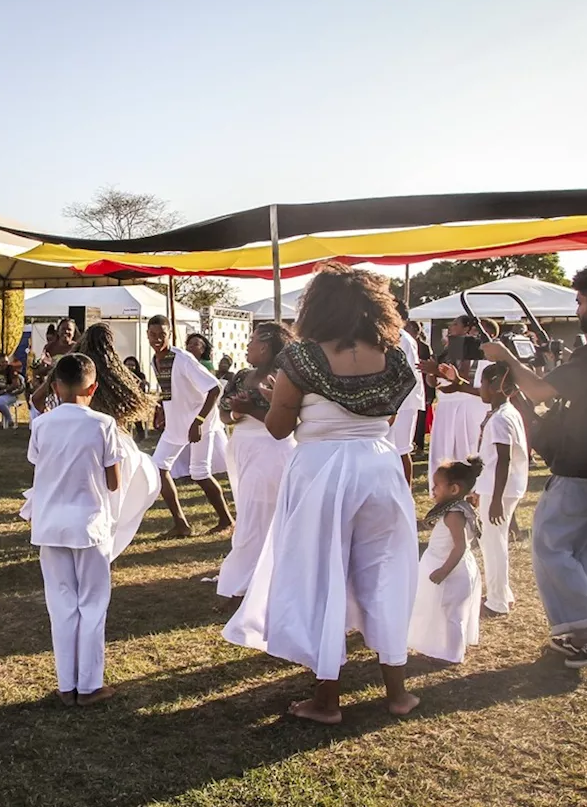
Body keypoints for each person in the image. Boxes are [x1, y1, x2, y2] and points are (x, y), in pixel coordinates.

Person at [223, 264, 420, 723]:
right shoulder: (391, 356)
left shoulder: (303, 359)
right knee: (387, 574)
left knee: (321, 576)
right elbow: (385, 418)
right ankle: (397, 692)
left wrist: (273, 398)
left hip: (321, 469)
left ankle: (327, 699)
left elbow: (277, 429)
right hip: (380, 466)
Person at [480, 262, 587, 668]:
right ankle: (584, 633)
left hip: (584, 464)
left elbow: (537, 389)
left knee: (550, 545)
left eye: (580, 302)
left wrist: (505, 357)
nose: (577, 310)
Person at [27, 354, 122, 707]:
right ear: (93, 388)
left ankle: (67, 684)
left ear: (54, 387)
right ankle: (90, 684)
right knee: (93, 604)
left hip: (50, 524)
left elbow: (38, 465)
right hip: (90, 524)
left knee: (61, 604)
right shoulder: (103, 424)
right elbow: (113, 482)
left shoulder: (41, 424)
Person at [217, 322, 297, 598]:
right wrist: (238, 413)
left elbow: (289, 421)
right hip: (241, 445)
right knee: (248, 510)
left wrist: (251, 409)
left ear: (264, 346)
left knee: (256, 516)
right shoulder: (241, 376)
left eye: (252, 341)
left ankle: (244, 582)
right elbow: (224, 413)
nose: (248, 346)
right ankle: (257, 575)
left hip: (271, 448)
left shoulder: (285, 377)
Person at [68, 323, 161, 560]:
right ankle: (106, 547)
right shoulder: (114, 370)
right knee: (117, 496)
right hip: (114, 440)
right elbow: (137, 403)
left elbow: (39, 398)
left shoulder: (75, 367)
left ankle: (95, 546)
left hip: (80, 437)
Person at [147, 315, 235, 538]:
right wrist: (162, 410)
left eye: (162, 335)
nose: (157, 339)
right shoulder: (154, 359)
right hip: (176, 425)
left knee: (199, 472)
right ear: (147, 335)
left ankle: (226, 520)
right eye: (153, 335)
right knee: (158, 469)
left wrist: (199, 421)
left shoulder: (183, 359)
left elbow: (215, 388)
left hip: (200, 424)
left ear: (170, 335)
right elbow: (172, 391)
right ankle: (181, 524)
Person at [407, 457, 483, 664]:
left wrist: (443, 571)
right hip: (448, 566)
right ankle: (441, 646)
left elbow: (460, 546)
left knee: (452, 613)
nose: (432, 490)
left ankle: (452, 654)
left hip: (452, 570)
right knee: (442, 610)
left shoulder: (454, 514)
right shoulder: (458, 507)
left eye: (437, 486)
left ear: (454, 489)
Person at [474, 362, 529, 617]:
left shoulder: (501, 419)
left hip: (501, 490)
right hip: (499, 487)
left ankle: (497, 601)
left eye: (483, 383)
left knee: (493, 543)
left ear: (495, 386)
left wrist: (495, 499)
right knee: (492, 541)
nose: (480, 388)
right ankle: (502, 592)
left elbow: (503, 459)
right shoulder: (506, 412)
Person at [423, 315, 491, 482]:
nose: (451, 327)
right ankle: (442, 485)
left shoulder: (476, 353)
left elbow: (460, 380)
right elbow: (435, 382)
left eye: (455, 324)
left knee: (466, 448)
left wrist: (438, 372)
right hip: (446, 406)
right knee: (443, 449)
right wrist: (432, 373)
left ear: (467, 328)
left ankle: (468, 486)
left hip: (466, 405)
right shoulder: (448, 350)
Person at [392, 300, 424, 485]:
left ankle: (406, 492)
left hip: (403, 403)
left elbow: (405, 375)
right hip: (397, 402)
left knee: (401, 449)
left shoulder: (401, 337)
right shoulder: (396, 335)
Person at [407, 320, 434, 454]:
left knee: (420, 418)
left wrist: (430, 393)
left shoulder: (423, 347)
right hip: (409, 386)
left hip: (421, 384)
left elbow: (429, 367)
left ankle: (419, 445)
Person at [0, 353, 26, 428]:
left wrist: (4, 390)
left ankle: (10, 420)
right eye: (3, 362)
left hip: (10, 394)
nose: (5, 364)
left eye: (6, 361)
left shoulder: (11, 369)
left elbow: (15, 384)